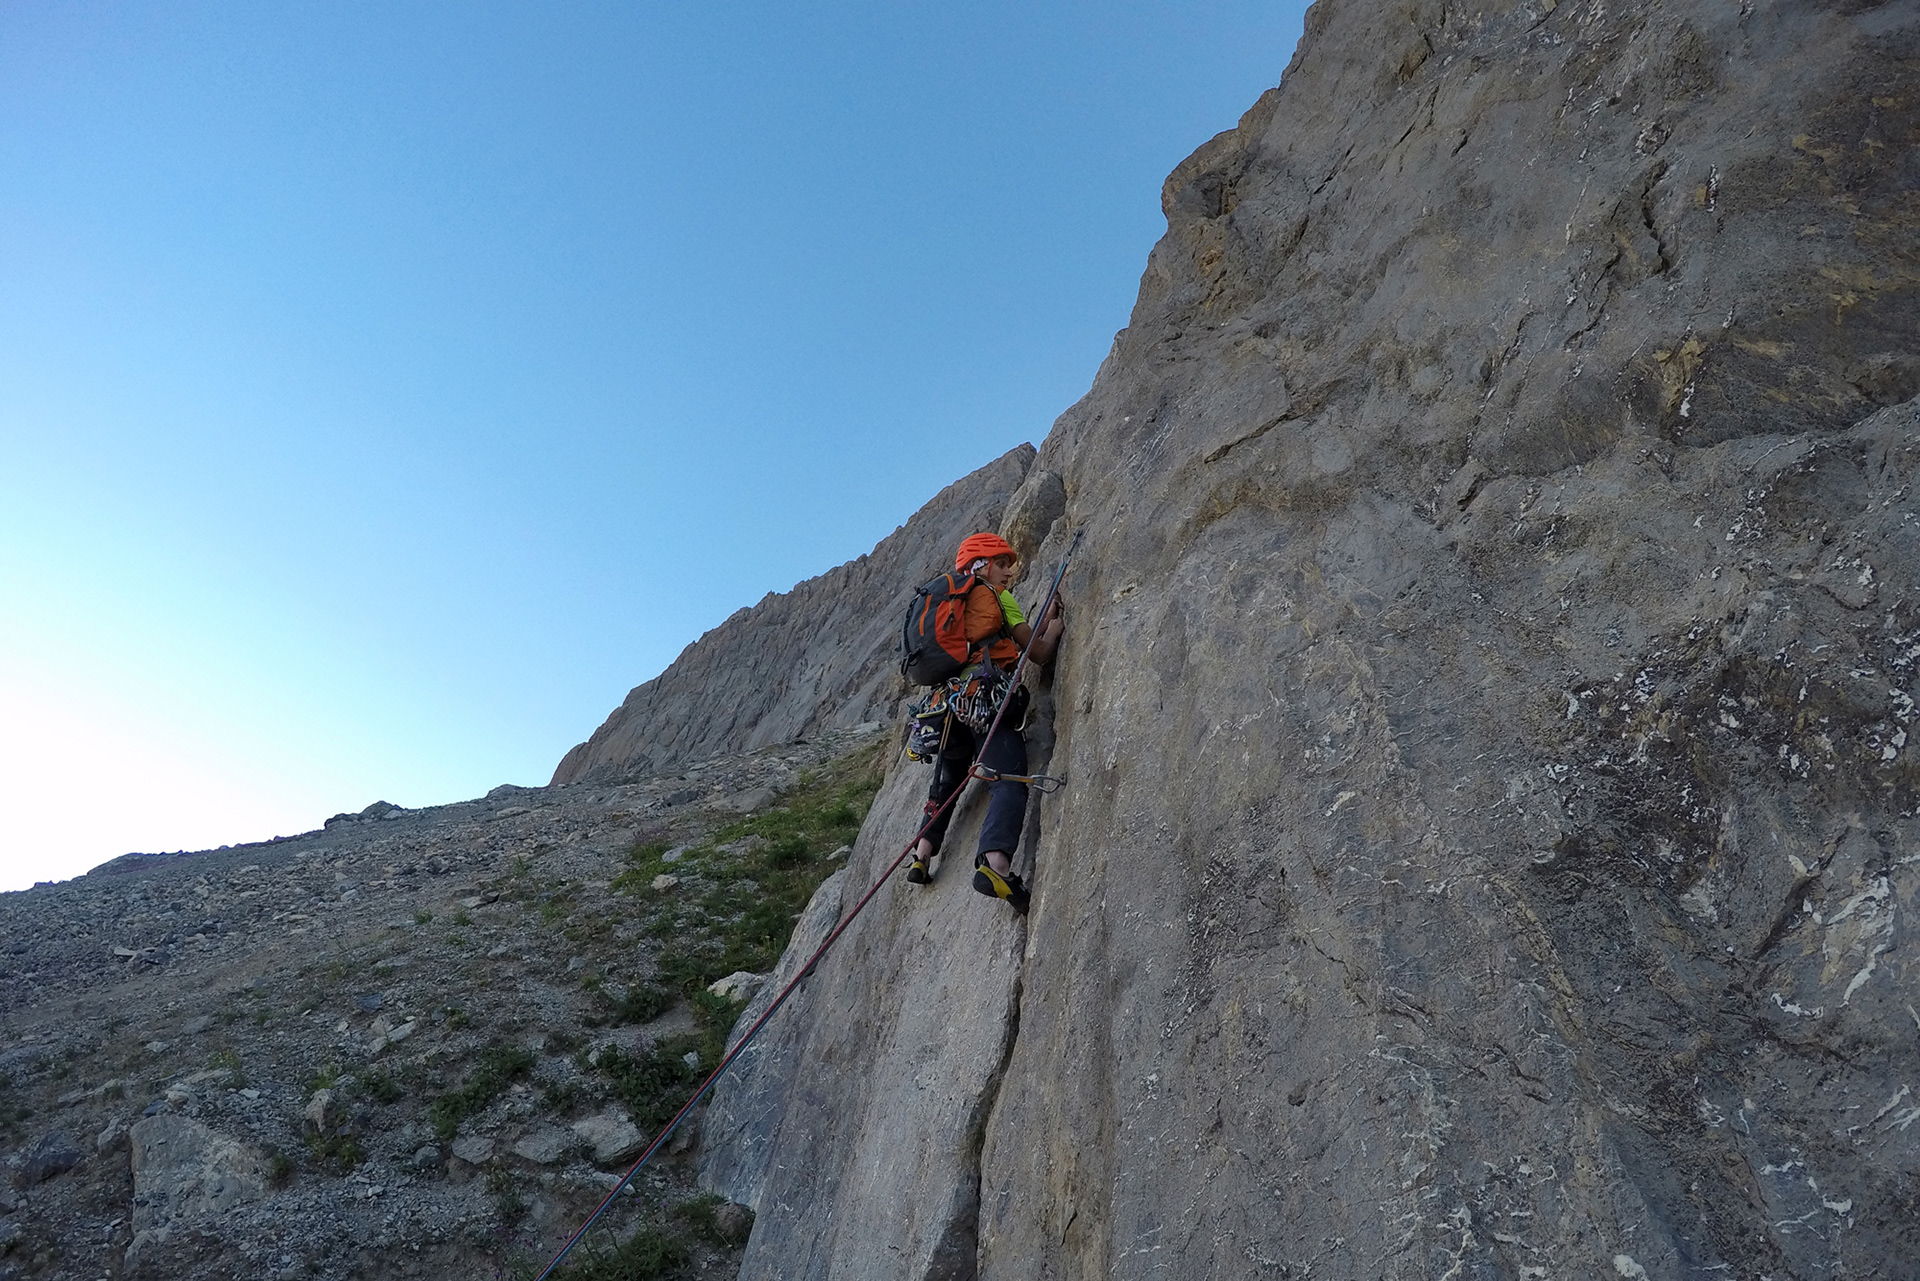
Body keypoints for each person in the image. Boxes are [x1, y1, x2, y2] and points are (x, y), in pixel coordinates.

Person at [906, 532, 1064, 914]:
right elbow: (1038, 653)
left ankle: (922, 853)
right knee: (1007, 777)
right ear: (981, 566)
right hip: (983, 702)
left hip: (947, 707)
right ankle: (995, 865)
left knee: (948, 780)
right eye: (1002, 563)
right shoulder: (994, 597)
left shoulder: (952, 609)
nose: (1010, 571)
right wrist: (1055, 627)